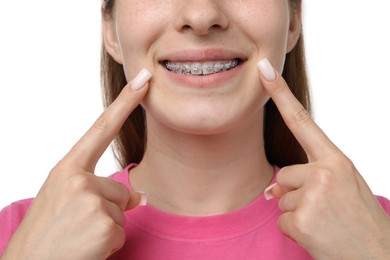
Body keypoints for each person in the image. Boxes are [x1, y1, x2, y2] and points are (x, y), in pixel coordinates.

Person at [1, 0, 390, 259]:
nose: (202, 15)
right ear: (110, 29)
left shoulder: (374, 229)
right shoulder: (20, 236)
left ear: (293, 21)